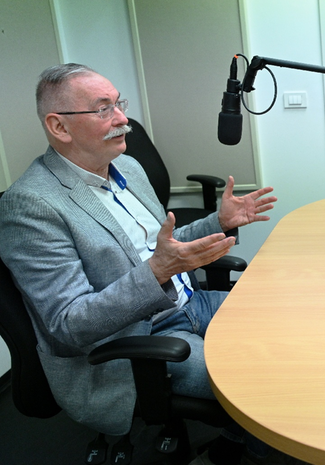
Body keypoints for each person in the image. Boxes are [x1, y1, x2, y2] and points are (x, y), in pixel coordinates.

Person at [0, 64, 284, 465]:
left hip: (190, 303)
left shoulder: (129, 168)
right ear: (59, 126)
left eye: (120, 104)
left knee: (294, 331)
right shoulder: (31, 205)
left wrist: (217, 222)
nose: (123, 120)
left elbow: (162, 245)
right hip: (136, 339)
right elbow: (67, 326)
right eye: (104, 109)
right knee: (268, 382)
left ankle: (236, 442)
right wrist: (157, 272)